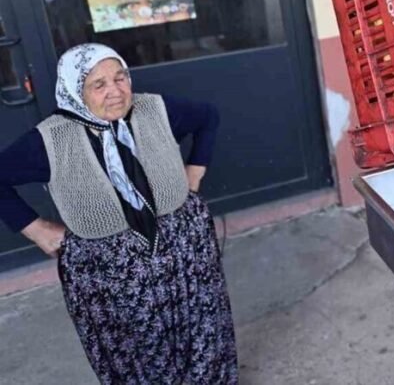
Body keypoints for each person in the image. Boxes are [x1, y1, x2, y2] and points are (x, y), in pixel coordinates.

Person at [0, 43, 238, 383]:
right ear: (74, 90)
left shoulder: (154, 108)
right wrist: (36, 229)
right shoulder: (50, 140)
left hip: (185, 251)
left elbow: (208, 117)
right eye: (99, 84)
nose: (115, 92)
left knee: (202, 334)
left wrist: (195, 171)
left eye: (120, 77)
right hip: (110, 273)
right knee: (137, 354)